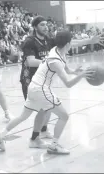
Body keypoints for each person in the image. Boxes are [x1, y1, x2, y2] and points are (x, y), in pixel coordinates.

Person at [0, 31, 95, 155]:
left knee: (27, 115)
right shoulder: (55, 60)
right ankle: (54, 146)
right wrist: (82, 75)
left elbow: (66, 69)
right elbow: (68, 84)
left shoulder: (57, 49)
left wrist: (76, 71)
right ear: (67, 44)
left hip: (34, 87)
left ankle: (4, 135)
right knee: (64, 116)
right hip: (41, 89)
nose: (72, 44)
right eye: (71, 42)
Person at [20, 16, 104, 148]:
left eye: (46, 24)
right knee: (36, 111)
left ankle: (40, 134)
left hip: (44, 79)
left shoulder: (48, 39)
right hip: (30, 79)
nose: (45, 27)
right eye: (42, 25)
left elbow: (68, 42)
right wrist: (50, 60)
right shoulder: (29, 41)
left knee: (45, 108)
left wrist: (89, 40)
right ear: (35, 27)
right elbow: (30, 62)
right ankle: (31, 137)